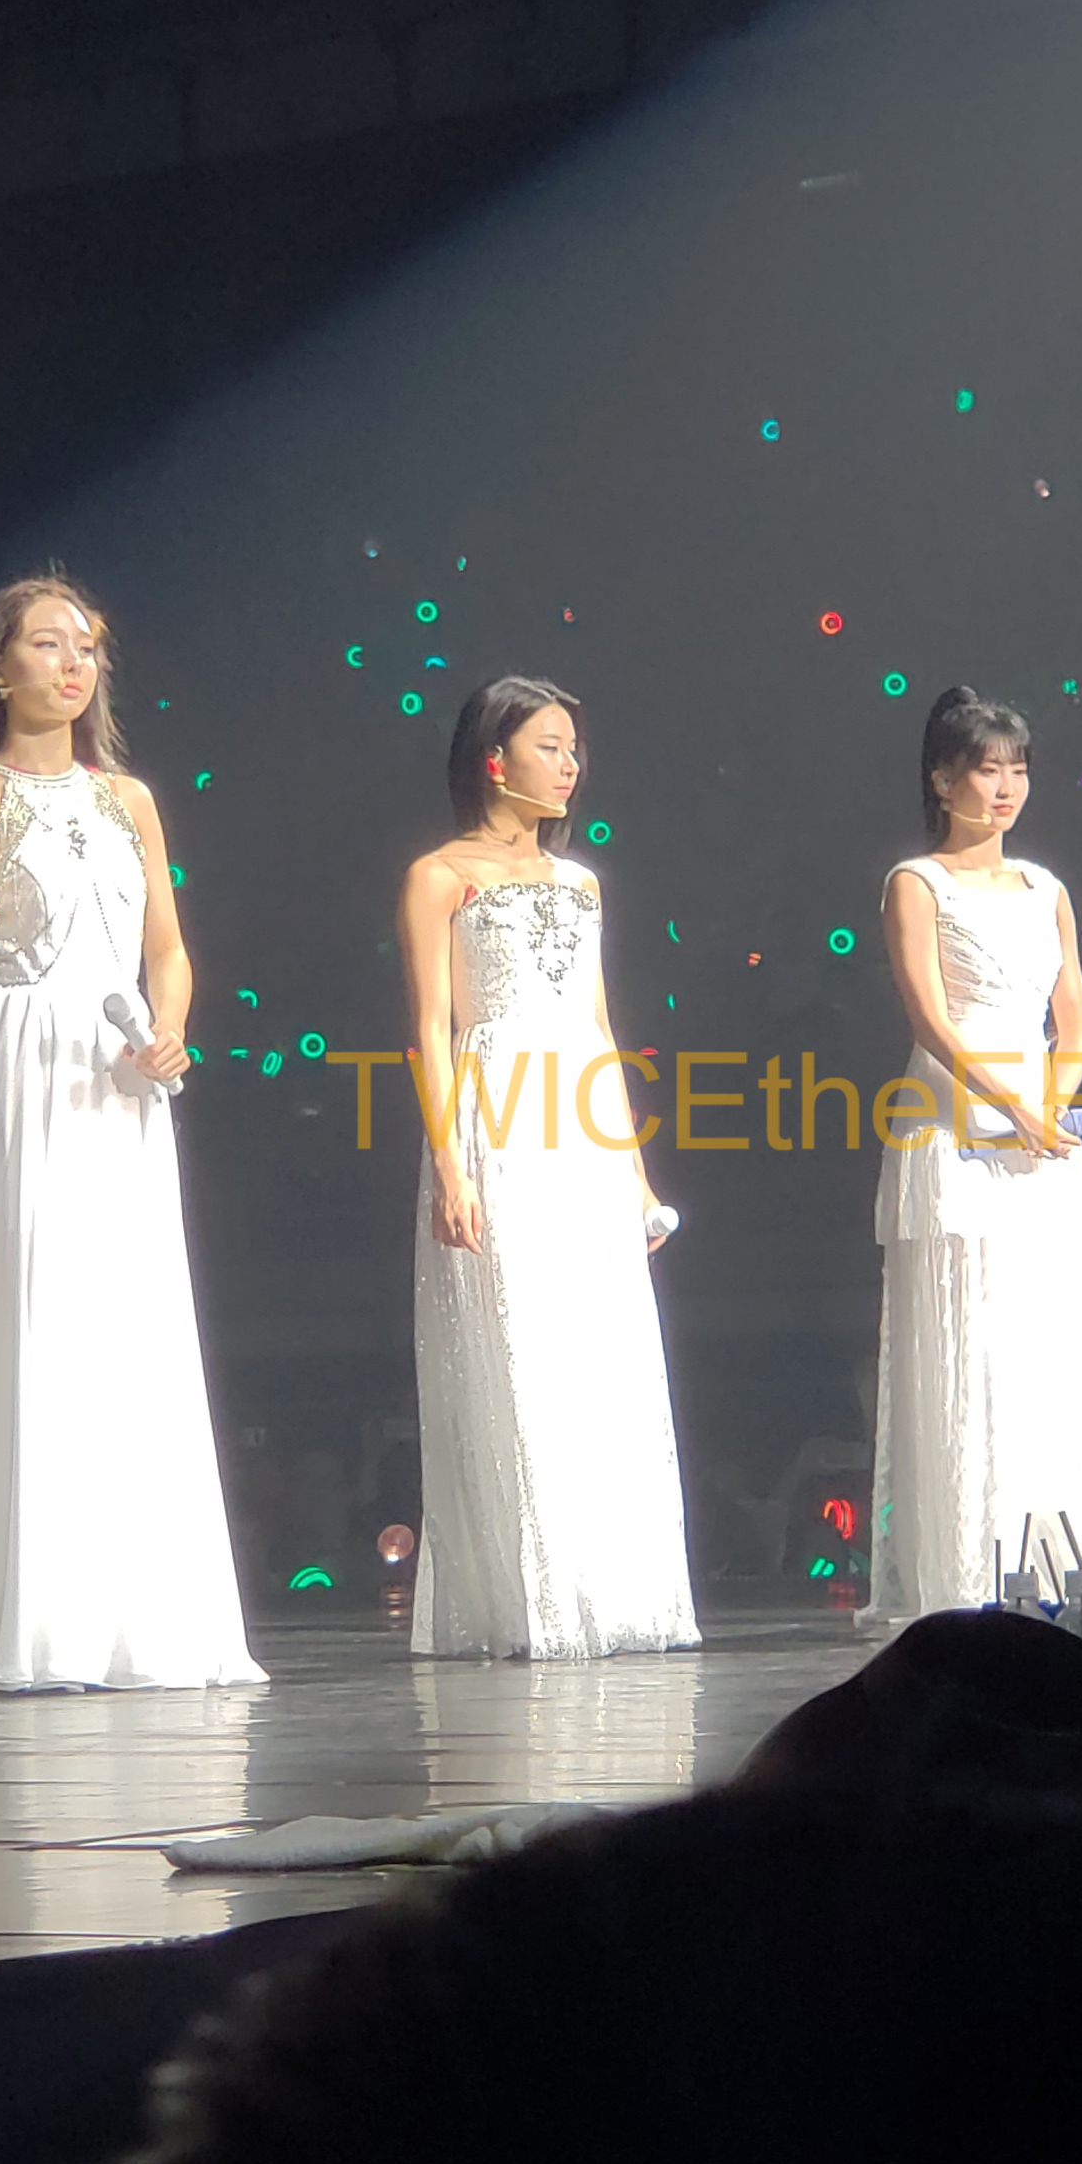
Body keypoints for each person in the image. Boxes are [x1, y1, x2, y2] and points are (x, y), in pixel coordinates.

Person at [0, 578, 261, 1693]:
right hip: (22, 1053)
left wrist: (170, 1028)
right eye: (48, 644)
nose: (74, 664)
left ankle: (142, 1618)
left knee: (130, 1325)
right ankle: (44, 1623)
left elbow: (169, 947)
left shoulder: (129, 797)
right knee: (32, 1319)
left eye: (88, 647)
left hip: (122, 1065)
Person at [396, 677, 696, 1659]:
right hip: (498, 1112)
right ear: (496, 758)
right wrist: (452, 1167)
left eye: (574, 748)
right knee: (519, 1348)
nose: (571, 765)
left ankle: (615, 1592)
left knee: (597, 1351)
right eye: (550, 746)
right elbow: (431, 1032)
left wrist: (636, 1174)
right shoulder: (440, 876)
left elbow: (600, 1030)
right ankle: (534, 1599)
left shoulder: (581, 883)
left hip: (583, 1119)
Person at [866, 686, 1082, 1624]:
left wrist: (1050, 1106)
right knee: (971, 1340)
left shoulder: (1045, 888)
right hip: (954, 1119)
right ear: (943, 779)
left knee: (1049, 1339)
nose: (1006, 787)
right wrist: (1009, 1104)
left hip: (1041, 1131)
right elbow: (928, 1017)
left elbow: (1076, 1018)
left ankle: (1067, 1562)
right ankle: (971, 1571)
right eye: (988, 769)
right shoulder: (917, 882)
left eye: (1017, 769)